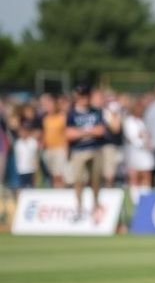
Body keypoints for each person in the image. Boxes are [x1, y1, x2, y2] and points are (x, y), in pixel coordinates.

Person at [66, 85, 106, 222]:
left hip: (95, 149)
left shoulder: (96, 111)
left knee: (96, 180)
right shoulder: (72, 113)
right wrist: (89, 131)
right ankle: (79, 207)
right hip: (78, 150)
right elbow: (69, 134)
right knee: (78, 180)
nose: (84, 99)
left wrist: (81, 132)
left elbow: (100, 131)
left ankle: (96, 205)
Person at [122, 98, 155, 204]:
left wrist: (144, 138)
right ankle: (135, 201)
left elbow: (146, 136)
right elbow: (133, 138)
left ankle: (145, 200)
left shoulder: (142, 121)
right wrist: (142, 138)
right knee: (134, 176)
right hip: (134, 152)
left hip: (145, 152)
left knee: (146, 175)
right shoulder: (129, 121)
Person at [40, 94, 68, 188]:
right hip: (48, 149)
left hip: (60, 149)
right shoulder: (45, 118)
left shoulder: (62, 117)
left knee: (59, 174)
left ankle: (60, 191)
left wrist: (66, 149)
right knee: (52, 175)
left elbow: (65, 133)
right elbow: (44, 133)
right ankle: (55, 189)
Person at [14, 124, 38, 191]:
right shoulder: (18, 144)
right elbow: (17, 157)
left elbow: (35, 156)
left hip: (31, 170)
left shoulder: (33, 142)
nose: (23, 133)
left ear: (28, 132)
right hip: (21, 170)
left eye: (24, 131)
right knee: (22, 187)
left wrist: (35, 168)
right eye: (21, 132)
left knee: (32, 187)